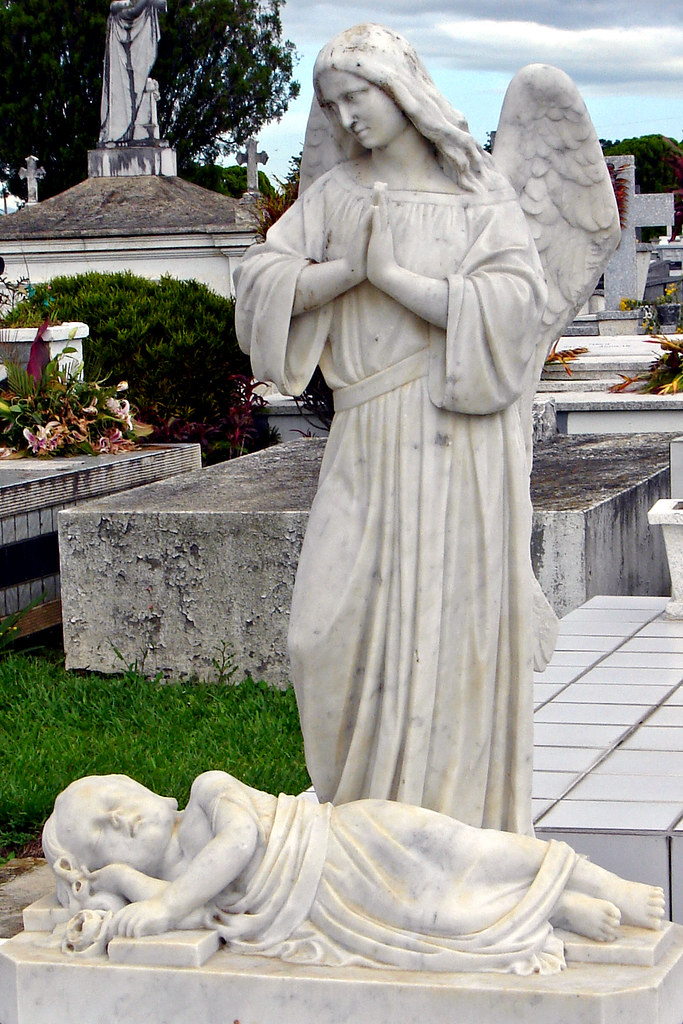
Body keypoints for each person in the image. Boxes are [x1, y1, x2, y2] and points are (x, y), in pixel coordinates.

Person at [234, 24, 549, 832]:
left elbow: (515, 310)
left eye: (357, 96)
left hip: (455, 439)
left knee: (446, 638)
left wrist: (394, 278)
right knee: (318, 637)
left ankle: (436, 833)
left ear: (399, 88)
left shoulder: (478, 198)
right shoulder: (335, 194)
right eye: (331, 104)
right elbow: (260, 281)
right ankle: (359, 819)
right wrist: (345, 272)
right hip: (365, 432)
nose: (346, 118)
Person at [42, 772, 665, 975]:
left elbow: (240, 840)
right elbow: (183, 901)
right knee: (439, 917)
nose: (120, 818)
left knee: (466, 851)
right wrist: (118, 881)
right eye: (102, 832)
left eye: (112, 798)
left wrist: (164, 905)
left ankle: (595, 880)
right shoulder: (175, 881)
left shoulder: (207, 793)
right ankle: (554, 909)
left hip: (349, 839)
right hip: (326, 905)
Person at [99, 0, 167, 145]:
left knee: (138, 81)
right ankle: (120, 130)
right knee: (120, 87)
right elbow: (117, 7)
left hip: (136, 29)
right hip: (118, 40)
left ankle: (131, 128)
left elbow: (161, 4)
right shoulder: (121, 11)